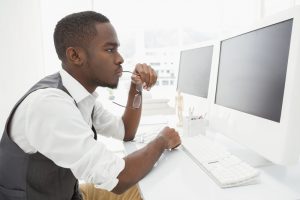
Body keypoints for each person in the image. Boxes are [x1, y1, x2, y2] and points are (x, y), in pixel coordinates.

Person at [0, 11, 181, 200]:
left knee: (147, 188)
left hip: (72, 194)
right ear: (75, 55)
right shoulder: (50, 105)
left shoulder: (80, 97)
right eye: (110, 50)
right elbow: (119, 178)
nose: (120, 59)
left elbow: (125, 131)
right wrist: (161, 141)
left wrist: (136, 87)